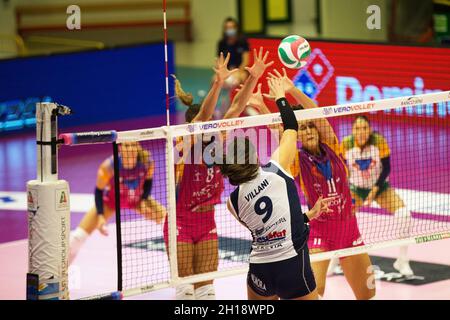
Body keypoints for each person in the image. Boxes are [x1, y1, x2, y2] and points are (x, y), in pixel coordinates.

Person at [252, 68, 376, 300]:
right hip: (320, 231)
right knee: (314, 292)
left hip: (349, 228)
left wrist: (292, 90)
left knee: (368, 293)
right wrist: (260, 107)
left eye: (311, 127)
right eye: (302, 129)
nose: (308, 131)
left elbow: (316, 114)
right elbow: (281, 132)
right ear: (297, 135)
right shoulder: (297, 161)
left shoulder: (333, 146)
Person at [168, 48, 273, 300]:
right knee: (186, 289)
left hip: (207, 222)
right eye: (206, 124)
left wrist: (253, 77)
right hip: (180, 222)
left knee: (205, 290)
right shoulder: (184, 146)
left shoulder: (218, 138)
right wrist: (217, 83)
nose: (213, 125)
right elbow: (204, 116)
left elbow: (236, 107)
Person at [220, 77, 332, 300]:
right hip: (291, 263)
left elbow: (265, 227)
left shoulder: (232, 202)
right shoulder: (276, 170)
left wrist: (307, 217)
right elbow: (291, 126)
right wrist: (281, 96)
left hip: (260, 268)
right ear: (251, 158)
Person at [69, 141, 166, 264]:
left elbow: (148, 182)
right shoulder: (108, 167)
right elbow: (99, 191)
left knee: (168, 221)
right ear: (120, 148)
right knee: (78, 237)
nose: (130, 149)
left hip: (135, 200)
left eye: (133, 145)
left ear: (138, 147)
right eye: (126, 145)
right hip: (111, 202)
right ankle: (60, 274)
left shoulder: (147, 163)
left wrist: (143, 201)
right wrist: (100, 216)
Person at [340, 115, 413, 276]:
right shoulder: (345, 144)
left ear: (370, 129)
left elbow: (386, 168)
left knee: (404, 214)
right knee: (341, 219)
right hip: (355, 189)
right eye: (357, 128)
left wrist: (374, 190)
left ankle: (402, 260)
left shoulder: (379, 141)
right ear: (352, 130)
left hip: (380, 188)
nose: (361, 131)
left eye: (364, 128)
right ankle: (334, 260)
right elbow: (343, 171)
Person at [217, 17, 250, 89]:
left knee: (239, 79)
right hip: (227, 71)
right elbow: (220, 61)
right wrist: (224, 72)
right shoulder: (221, 43)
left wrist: (237, 72)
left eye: (231, 27)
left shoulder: (242, 42)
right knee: (215, 80)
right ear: (224, 30)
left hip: (240, 70)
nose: (230, 30)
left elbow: (245, 61)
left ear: (236, 28)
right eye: (227, 28)